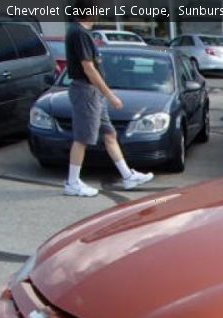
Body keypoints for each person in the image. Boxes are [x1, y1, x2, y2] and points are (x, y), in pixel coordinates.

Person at [64, 1, 153, 196]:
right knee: (83, 138)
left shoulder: (81, 32)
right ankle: (72, 183)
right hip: (86, 91)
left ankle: (128, 176)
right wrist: (110, 95)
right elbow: (88, 68)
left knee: (109, 133)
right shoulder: (78, 33)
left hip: (92, 92)